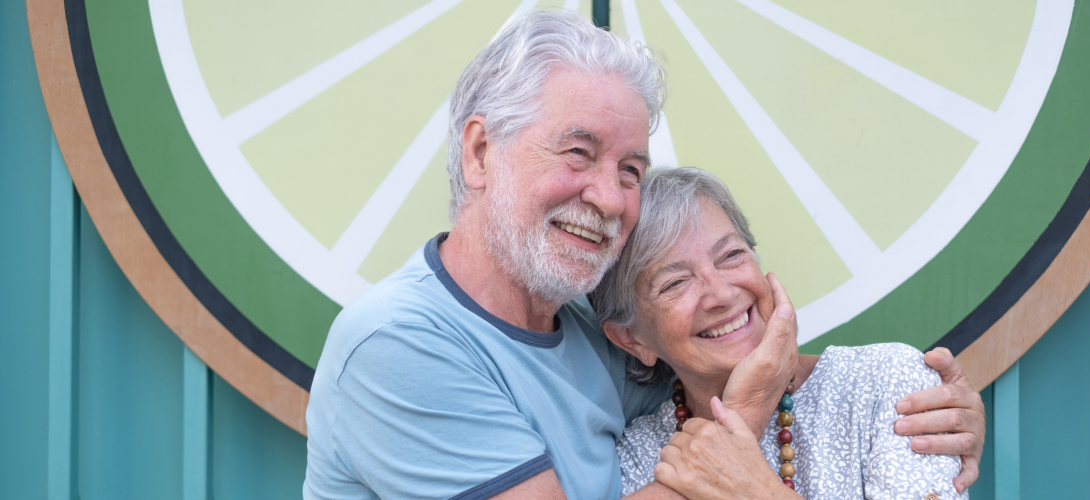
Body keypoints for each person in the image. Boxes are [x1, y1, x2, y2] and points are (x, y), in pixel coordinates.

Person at [304, 10, 984, 500]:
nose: (608, 196)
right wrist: (739, 427)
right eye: (578, 152)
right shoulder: (396, 343)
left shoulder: (598, 339)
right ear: (481, 152)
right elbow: (735, 402)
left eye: (631, 168)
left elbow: (721, 359)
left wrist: (925, 406)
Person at [593, 167, 966, 499]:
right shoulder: (642, 457)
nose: (721, 295)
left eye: (731, 256)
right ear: (632, 339)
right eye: (675, 283)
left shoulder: (886, 381)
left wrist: (751, 490)